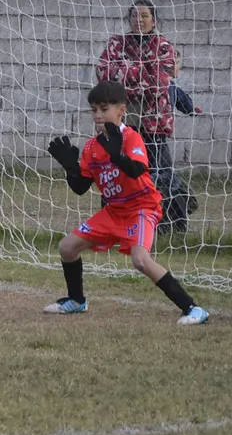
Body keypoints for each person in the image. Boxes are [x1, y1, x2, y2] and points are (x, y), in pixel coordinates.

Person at [46, 80, 208, 325]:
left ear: (121, 110)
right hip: (114, 211)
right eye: (94, 110)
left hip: (142, 207)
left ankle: (193, 308)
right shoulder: (91, 147)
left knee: (140, 260)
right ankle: (77, 301)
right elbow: (80, 188)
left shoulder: (131, 137)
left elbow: (137, 170)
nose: (98, 115)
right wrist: (70, 167)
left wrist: (117, 154)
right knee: (67, 247)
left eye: (104, 108)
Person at [96, 0, 192, 232]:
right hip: (121, 123)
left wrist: (126, 76)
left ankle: (167, 225)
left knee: (158, 175)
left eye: (144, 16)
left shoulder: (164, 46)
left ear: (154, 20)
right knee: (116, 173)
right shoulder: (116, 43)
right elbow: (104, 72)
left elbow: (159, 84)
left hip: (154, 124)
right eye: (134, 15)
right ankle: (116, 223)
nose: (138, 20)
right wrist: (142, 73)